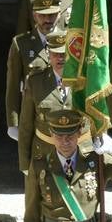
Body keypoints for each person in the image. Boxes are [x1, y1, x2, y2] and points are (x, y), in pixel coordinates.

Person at [17, 30, 77, 176]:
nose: (60, 58)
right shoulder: (35, 81)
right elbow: (26, 125)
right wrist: (25, 163)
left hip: (78, 154)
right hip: (44, 154)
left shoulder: (85, 80)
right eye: (55, 54)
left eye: (64, 54)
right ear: (47, 53)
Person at [5, 0, 64, 134]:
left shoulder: (71, 42)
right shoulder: (21, 44)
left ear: (60, 14)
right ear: (34, 15)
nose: (47, 20)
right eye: (42, 15)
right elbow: (13, 86)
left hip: (64, 112)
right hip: (34, 115)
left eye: (52, 15)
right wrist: (13, 122)